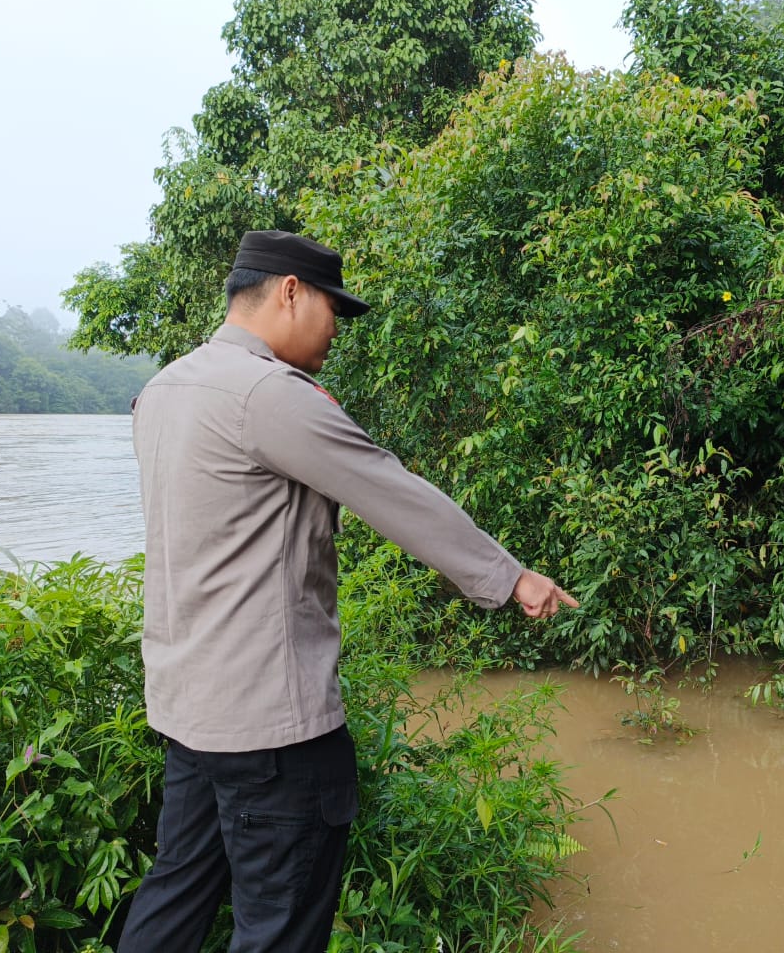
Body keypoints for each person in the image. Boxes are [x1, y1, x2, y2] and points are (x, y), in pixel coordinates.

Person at [118, 230, 578, 953]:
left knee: (174, 898)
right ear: (291, 292)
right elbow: (389, 489)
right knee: (279, 930)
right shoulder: (268, 395)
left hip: (188, 717)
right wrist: (509, 576)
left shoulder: (164, 390)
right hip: (273, 731)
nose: (337, 330)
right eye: (334, 308)